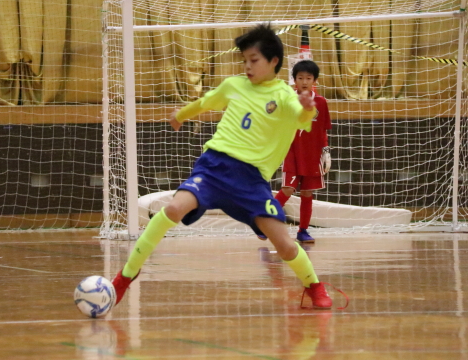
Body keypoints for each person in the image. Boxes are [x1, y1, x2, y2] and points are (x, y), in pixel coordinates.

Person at [112, 24, 333, 309]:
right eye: (244, 60)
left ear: (273, 61)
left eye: (254, 60)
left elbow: (303, 118)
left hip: (251, 181)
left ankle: (314, 285)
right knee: (174, 208)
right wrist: (181, 114)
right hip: (214, 167)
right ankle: (126, 275)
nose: (247, 66)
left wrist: (307, 106)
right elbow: (206, 102)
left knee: (285, 244)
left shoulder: (285, 96)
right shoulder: (233, 85)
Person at [274, 60, 331, 243]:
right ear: (294, 80)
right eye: (300, 78)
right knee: (287, 189)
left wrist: (326, 150)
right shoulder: (287, 100)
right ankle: (265, 220)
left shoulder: (321, 102)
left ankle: (303, 231)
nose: (304, 82)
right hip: (291, 151)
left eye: (308, 78)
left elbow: (323, 130)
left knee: (307, 193)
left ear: (315, 80)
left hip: (313, 154)